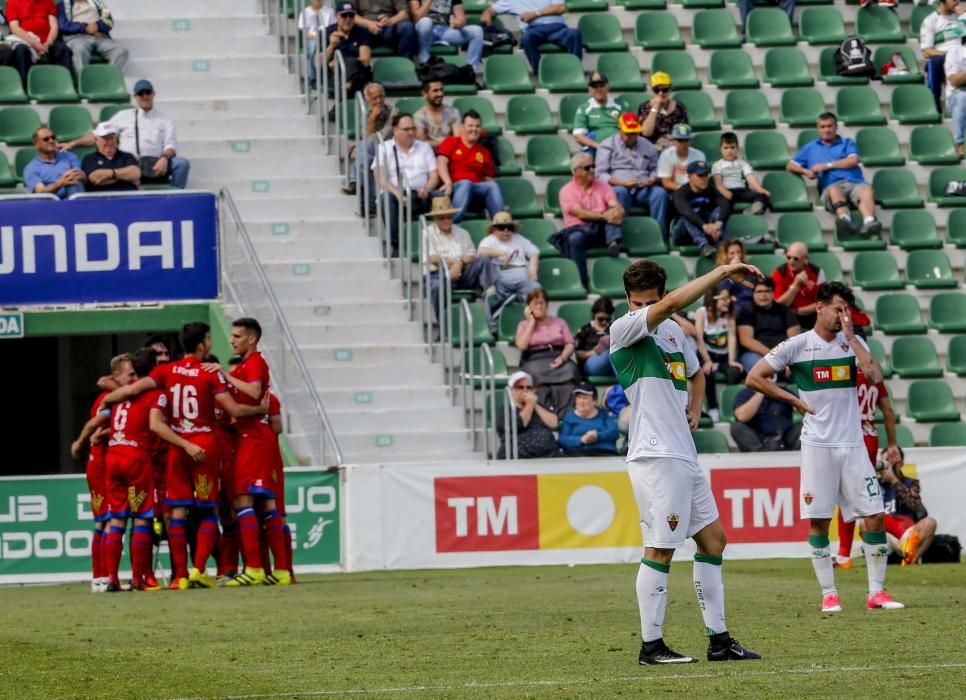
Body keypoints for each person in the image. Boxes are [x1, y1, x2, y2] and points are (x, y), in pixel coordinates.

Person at [610, 258, 763, 665]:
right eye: (637, 302)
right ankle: (651, 647)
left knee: (714, 541)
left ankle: (719, 641)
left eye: (651, 301)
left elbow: (698, 374)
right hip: (655, 454)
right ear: (629, 300)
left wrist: (694, 410)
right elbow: (675, 303)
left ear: (659, 295)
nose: (644, 309)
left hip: (683, 453)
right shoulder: (623, 328)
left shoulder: (675, 333)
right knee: (660, 549)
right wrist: (722, 271)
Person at [745, 281, 905, 613]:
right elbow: (755, 377)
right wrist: (792, 400)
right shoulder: (798, 345)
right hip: (818, 445)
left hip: (852, 443)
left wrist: (851, 338)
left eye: (847, 310)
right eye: (837, 309)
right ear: (819, 307)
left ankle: (876, 592)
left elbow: (874, 377)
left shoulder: (854, 342)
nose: (842, 316)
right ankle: (829, 593)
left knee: (874, 517)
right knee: (819, 520)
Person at [99, 322, 269, 590]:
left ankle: (179, 576)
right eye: (209, 338)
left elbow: (132, 390)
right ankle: (198, 570)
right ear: (202, 344)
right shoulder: (209, 373)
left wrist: (109, 400)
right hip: (204, 447)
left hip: (176, 448)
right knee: (208, 509)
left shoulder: (165, 371)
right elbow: (234, 410)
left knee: (176, 511)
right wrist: (259, 409)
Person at [219, 318, 291, 587]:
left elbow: (255, 390)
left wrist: (224, 375)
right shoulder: (247, 365)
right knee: (268, 504)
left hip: (254, 440)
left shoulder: (256, 362)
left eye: (237, 336)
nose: (232, 340)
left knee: (243, 501)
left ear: (251, 339)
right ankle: (281, 570)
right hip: (257, 440)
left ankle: (254, 568)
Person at [98, 348, 164, 592]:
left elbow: (104, 396)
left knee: (116, 520)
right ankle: (138, 578)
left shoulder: (115, 395)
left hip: (113, 457)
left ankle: (112, 579)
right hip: (136, 460)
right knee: (141, 520)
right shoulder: (151, 394)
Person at [71, 353, 134, 593]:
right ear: (116, 376)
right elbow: (95, 429)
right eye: (129, 375)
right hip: (101, 465)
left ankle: (99, 578)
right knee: (107, 522)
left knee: (102, 523)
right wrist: (81, 441)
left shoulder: (113, 396)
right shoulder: (109, 399)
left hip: (102, 463)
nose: (133, 379)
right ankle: (105, 577)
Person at [62, 80, 190, 189]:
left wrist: (164, 158)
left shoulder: (165, 119)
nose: (145, 96)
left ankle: (176, 197)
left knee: (181, 164)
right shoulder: (124, 116)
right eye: (141, 93)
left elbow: (171, 146)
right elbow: (99, 134)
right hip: (128, 162)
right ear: (135, 96)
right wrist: (72, 143)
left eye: (148, 92)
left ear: (153, 94)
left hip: (155, 163)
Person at [834, 366, 900, 568]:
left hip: (851, 436)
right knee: (865, 496)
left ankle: (844, 555)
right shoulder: (875, 376)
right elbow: (888, 411)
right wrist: (891, 444)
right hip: (871, 437)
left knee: (850, 496)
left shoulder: (844, 373)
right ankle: (903, 535)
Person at [787, 112, 882, 237]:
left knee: (866, 188)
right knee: (834, 189)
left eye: (829, 126)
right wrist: (806, 172)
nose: (826, 130)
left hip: (855, 183)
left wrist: (826, 165)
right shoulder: (810, 147)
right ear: (818, 129)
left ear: (836, 127)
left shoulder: (847, 143)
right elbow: (790, 165)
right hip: (831, 186)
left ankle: (869, 222)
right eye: (822, 127)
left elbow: (853, 161)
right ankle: (844, 219)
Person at [551, 151, 624, 289]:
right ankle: (582, 281)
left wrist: (617, 211)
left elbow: (614, 203)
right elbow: (580, 214)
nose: (592, 170)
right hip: (580, 228)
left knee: (612, 219)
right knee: (575, 239)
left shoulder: (603, 186)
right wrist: (605, 215)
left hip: (601, 227)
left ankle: (613, 242)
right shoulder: (567, 190)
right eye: (587, 168)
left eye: (593, 166)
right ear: (575, 171)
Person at [372, 111, 439, 253]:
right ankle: (397, 245)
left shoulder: (424, 147)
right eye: (406, 129)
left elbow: (434, 175)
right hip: (396, 195)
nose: (411, 132)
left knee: (440, 196)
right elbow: (380, 177)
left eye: (412, 128)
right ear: (395, 130)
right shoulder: (384, 147)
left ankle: (443, 242)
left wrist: (427, 188)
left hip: (421, 194)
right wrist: (397, 193)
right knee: (385, 198)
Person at [595, 112, 668, 236]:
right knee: (619, 192)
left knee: (660, 193)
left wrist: (652, 178)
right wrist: (620, 182)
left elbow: (655, 168)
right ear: (619, 129)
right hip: (620, 186)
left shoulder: (648, 145)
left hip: (643, 187)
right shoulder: (607, 145)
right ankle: (622, 234)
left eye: (634, 133)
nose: (631, 137)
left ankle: (658, 234)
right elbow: (600, 174)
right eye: (627, 133)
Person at [515, 287, 579, 415]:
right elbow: (521, 346)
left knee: (571, 370)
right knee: (535, 375)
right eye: (535, 303)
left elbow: (570, 343)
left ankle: (566, 411)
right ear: (529, 307)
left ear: (547, 304)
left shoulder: (559, 322)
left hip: (558, 356)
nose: (539, 306)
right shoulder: (523, 324)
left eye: (542, 302)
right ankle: (545, 411)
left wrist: (563, 357)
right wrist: (531, 323)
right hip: (535, 359)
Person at [436, 109, 505, 222]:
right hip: (454, 188)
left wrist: (499, 198)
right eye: (470, 126)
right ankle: (451, 223)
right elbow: (441, 162)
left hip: (476, 190)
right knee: (466, 183)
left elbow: (488, 178)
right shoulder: (451, 142)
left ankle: (501, 224)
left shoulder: (484, 152)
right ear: (462, 127)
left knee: (492, 186)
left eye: (477, 126)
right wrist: (447, 181)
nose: (474, 129)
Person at [423, 195, 486, 315]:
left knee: (483, 259)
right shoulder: (427, 233)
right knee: (437, 286)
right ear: (435, 219)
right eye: (441, 218)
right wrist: (453, 266)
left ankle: (489, 294)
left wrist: (459, 263)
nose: (446, 220)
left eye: (449, 217)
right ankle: (444, 325)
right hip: (438, 275)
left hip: (462, 274)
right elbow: (433, 258)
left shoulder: (463, 233)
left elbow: (472, 255)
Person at [482, 0, 582, 74]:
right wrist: (487, 17)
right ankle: (540, 72)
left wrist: (535, 14)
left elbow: (561, 8)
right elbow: (491, 10)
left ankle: (575, 72)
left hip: (557, 28)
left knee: (574, 34)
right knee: (526, 38)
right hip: (533, 30)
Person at [476, 211, 541, 326]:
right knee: (491, 295)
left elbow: (534, 252)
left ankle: (538, 323)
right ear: (494, 229)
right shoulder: (489, 240)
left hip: (521, 273)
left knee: (537, 291)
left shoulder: (519, 239)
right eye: (501, 227)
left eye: (509, 227)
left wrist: (533, 271)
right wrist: (501, 253)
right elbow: (481, 252)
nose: (506, 231)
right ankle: (493, 326)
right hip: (500, 275)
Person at [878, 447, 938, 566]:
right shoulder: (873, 484)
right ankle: (878, 564)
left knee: (930, 523)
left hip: (908, 534)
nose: (886, 466)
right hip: (884, 533)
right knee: (865, 523)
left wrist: (894, 481)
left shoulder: (911, 482)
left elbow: (914, 505)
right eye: (884, 462)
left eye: (890, 462)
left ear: (901, 464)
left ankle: (910, 561)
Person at [340, 81, 395, 200]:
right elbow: (366, 136)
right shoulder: (367, 114)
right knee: (365, 153)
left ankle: (355, 182)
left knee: (364, 148)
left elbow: (385, 135)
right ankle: (360, 189)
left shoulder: (393, 111)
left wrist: (357, 143)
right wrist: (372, 120)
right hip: (371, 149)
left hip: (389, 146)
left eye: (381, 96)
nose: (379, 101)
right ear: (367, 100)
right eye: (375, 98)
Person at [694, 289, 742, 422]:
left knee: (735, 371)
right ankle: (713, 407)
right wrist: (707, 360)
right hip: (706, 354)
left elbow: (732, 337)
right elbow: (699, 338)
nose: (729, 301)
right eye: (724, 298)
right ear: (714, 299)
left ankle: (731, 407)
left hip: (723, 356)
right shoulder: (702, 313)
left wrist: (732, 360)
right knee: (708, 372)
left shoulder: (729, 315)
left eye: (729, 298)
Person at [4, 0, 73, 88]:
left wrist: (48, 43)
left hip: (47, 41)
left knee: (62, 50)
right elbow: (14, 28)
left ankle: (66, 85)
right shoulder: (12, 2)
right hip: (25, 40)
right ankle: (24, 87)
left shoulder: (48, 2)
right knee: (21, 50)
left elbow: (54, 26)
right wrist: (34, 43)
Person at [736, 277, 800, 372]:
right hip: (755, 354)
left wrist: (786, 357)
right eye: (759, 292)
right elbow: (746, 340)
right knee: (760, 367)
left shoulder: (785, 310)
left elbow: (795, 339)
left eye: (767, 291)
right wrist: (773, 356)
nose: (763, 295)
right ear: (753, 294)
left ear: (773, 293)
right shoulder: (746, 311)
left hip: (784, 354)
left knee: (800, 367)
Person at [671, 160, 731, 258]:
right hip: (682, 234)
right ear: (689, 176)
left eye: (706, 175)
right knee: (689, 213)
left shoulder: (710, 190)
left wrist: (718, 224)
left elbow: (725, 204)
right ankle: (703, 245)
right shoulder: (680, 193)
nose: (704, 178)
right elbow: (684, 210)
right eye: (700, 175)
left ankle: (721, 243)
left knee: (718, 211)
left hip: (707, 232)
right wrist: (703, 226)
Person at [57, 0, 128, 79]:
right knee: (80, 49)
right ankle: (85, 83)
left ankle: (109, 82)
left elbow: (109, 21)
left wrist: (98, 26)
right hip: (77, 37)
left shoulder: (99, 3)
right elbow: (63, 25)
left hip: (99, 37)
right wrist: (85, 27)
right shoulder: (63, 4)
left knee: (121, 51)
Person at [496, 370, 559, 459]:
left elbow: (554, 423)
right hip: (520, 460)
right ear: (512, 390)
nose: (525, 390)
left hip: (548, 457)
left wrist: (534, 404)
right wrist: (530, 405)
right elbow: (520, 424)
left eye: (528, 387)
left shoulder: (538, 407)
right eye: (520, 387)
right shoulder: (506, 410)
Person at [411, 0, 484, 74]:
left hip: (444, 30)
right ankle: (424, 61)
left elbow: (461, 18)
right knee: (426, 22)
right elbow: (417, 17)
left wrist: (459, 23)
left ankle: (472, 70)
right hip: (425, 31)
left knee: (477, 31)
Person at [730, 378, 802, 452]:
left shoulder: (783, 391)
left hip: (785, 437)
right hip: (759, 439)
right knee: (736, 427)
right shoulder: (745, 393)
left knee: (804, 427)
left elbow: (803, 409)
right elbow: (742, 417)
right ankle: (761, 453)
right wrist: (761, 391)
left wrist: (779, 393)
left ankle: (794, 454)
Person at [920, 0, 963, 114]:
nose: (957, 2)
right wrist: (947, 54)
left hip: (962, 55)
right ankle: (934, 101)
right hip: (942, 55)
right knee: (934, 62)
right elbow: (926, 51)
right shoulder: (931, 20)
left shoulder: (962, 16)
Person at [712, 132, 770, 216]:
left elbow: (750, 177)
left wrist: (760, 189)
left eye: (732, 147)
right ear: (720, 149)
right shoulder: (717, 164)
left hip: (741, 191)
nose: (729, 151)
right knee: (724, 203)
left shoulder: (742, 163)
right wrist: (724, 191)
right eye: (726, 148)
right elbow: (718, 184)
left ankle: (751, 211)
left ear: (737, 149)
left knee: (763, 196)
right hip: (727, 191)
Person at [772, 242, 824, 331]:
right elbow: (778, 305)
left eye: (796, 258)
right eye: (788, 257)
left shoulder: (817, 272)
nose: (791, 261)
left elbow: (822, 302)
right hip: (787, 317)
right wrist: (795, 285)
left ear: (805, 259)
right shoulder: (779, 273)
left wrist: (798, 311)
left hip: (811, 315)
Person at [325, 2, 373, 97]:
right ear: (336, 16)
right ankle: (345, 89)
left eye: (351, 15)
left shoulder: (362, 32)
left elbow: (365, 60)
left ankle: (344, 90)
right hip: (335, 76)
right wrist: (331, 46)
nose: (348, 19)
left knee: (352, 63)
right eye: (344, 15)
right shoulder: (327, 32)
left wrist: (341, 63)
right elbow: (317, 62)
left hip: (358, 74)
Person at [23, 125, 85, 199]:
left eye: (53, 137)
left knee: (74, 182)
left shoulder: (69, 156)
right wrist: (60, 183)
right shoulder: (31, 168)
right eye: (46, 139)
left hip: (73, 194)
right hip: (51, 204)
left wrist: (80, 176)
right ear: (36, 144)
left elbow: (79, 175)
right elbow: (41, 192)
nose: (51, 141)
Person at [558, 384, 619, 456]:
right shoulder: (570, 417)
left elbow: (614, 432)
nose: (581, 401)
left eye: (585, 398)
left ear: (594, 401)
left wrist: (597, 435)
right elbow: (562, 440)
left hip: (605, 452)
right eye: (579, 398)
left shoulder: (603, 415)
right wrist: (581, 439)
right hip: (578, 454)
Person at [80, 122, 140, 192]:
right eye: (105, 139)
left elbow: (135, 173)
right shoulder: (90, 158)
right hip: (100, 199)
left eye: (112, 138)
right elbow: (95, 177)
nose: (109, 142)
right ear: (97, 140)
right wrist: (125, 176)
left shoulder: (127, 156)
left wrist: (108, 175)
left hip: (127, 197)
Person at [638, 72, 689, 151]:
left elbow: (684, 133)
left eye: (664, 89)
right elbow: (646, 133)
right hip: (652, 151)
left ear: (670, 89)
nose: (661, 93)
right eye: (656, 90)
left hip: (674, 150)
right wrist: (655, 108)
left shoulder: (679, 108)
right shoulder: (644, 107)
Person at [573, 71, 622, 152]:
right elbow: (578, 136)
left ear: (607, 87)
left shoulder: (620, 105)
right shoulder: (584, 108)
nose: (598, 89)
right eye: (594, 86)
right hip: (594, 147)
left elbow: (627, 130)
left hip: (618, 147)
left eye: (601, 85)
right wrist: (598, 146)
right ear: (589, 89)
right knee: (581, 162)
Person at [657, 123, 705, 193]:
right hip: (676, 190)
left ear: (690, 141)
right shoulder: (666, 155)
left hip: (696, 190)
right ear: (673, 141)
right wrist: (684, 189)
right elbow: (666, 182)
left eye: (686, 140)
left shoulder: (699, 155)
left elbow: (702, 179)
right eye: (680, 140)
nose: (684, 144)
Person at [412, 79, 460, 149]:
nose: (440, 94)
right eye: (435, 91)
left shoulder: (453, 112)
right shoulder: (419, 116)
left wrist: (433, 142)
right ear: (425, 94)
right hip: (428, 155)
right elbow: (421, 144)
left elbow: (458, 140)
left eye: (441, 90)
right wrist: (446, 141)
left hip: (450, 153)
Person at [574, 297, 614, 378]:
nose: (604, 322)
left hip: (612, 365)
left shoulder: (614, 327)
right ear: (594, 314)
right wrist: (595, 352)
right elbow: (578, 354)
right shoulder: (585, 330)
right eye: (601, 319)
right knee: (611, 353)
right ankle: (629, 385)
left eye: (607, 319)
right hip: (590, 366)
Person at [298, 0, 335, 90]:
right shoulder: (304, 12)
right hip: (311, 39)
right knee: (314, 47)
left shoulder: (330, 11)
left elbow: (333, 29)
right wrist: (317, 39)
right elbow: (305, 34)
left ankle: (323, 77)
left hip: (326, 38)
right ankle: (313, 78)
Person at [715, 240, 753, 314]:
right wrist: (731, 270)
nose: (736, 256)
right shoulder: (719, 274)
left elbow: (753, 293)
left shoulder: (749, 272)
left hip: (750, 309)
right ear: (725, 256)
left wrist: (737, 298)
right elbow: (723, 295)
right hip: (731, 311)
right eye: (732, 253)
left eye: (739, 252)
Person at [944, 34, 966, 158]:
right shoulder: (955, 52)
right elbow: (954, 81)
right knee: (963, 97)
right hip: (956, 96)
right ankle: (959, 143)